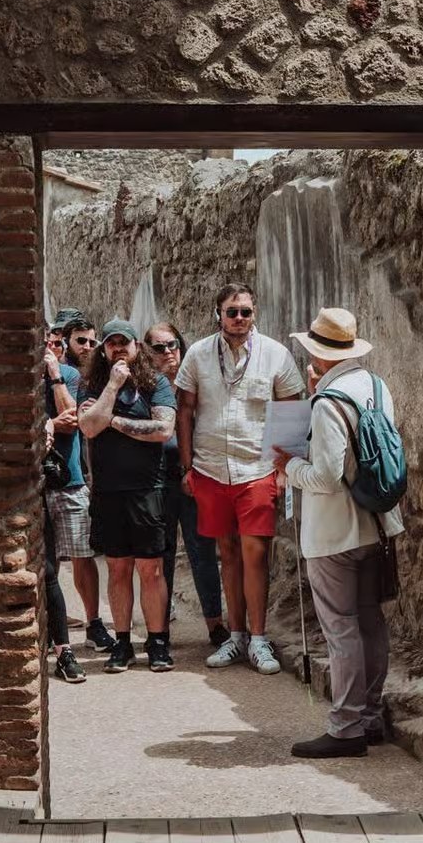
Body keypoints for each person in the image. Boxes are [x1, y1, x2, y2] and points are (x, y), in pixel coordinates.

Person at [273, 308, 405, 759]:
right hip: (377, 523)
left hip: (334, 533)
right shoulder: (375, 385)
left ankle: (346, 727)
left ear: (318, 356)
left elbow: (327, 477)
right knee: (370, 621)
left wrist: (288, 466)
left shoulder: (328, 403)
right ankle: (369, 716)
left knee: (341, 628)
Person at [175, 285, 304, 676]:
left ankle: (260, 638)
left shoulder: (275, 353)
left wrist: (283, 469)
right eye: (232, 312)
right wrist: (187, 467)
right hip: (211, 466)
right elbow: (184, 410)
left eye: (246, 312)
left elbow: (292, 411)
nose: (239, 319)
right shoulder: (198, 353)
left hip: (257, 468)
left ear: (254, 313)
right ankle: (236, 635)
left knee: (256, 553)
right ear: (218, 314)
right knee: (227, 552)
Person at [79, 319, 176, 673]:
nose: (118, 348)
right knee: (118, 569)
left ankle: (158, 641)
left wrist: (114, 421)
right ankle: (122, 642)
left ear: (137, 346)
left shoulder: (157, 384)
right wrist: (113, 387)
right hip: (108, 491)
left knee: (151, 570)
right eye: (111, 344)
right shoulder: (91, 383)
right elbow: (88, 426)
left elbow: (163, 429)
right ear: (103, 350)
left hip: (147, 489)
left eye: (124, 343)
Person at [145, 321, 227, 649]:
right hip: (157, 482)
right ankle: (160, 631)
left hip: (194, 479)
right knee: (161, 555)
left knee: (203, 553)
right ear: (147, 352)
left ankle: (215, 626)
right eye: (160, 347)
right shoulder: (144, 389)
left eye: (174, 345)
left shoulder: (194, 385)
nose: (169, 353)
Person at [55, 314, 112, 654]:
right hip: (58, 476)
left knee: (82, 554)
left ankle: (93, 622)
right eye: (81, 341)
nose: (88, 347)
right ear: (65, 340)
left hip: (78, 476)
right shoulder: (63, 375)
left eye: (93, 342)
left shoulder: (93, 376)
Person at [41, 310, 89, 684]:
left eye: (56, 344)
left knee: (58, 569)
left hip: (60, 481)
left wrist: (55, 373)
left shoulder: (68, 375)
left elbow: (69, 416)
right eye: (47, 343)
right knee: (44, 570)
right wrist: (46, 425)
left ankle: (64, 650)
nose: (51, 349)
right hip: (28, 486)